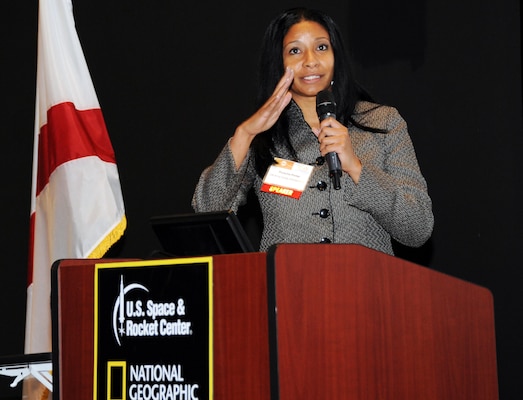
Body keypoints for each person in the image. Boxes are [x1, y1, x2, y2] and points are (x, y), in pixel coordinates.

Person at [192, 7, 433, 255]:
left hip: (367, 288)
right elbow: (205, 216)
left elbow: (418, 228)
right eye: (295, 50)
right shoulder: (263, 139)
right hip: (287, 289)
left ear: (336, 55)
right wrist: (244, 134)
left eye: (321, 47)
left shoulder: (382, 122)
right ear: (278, 62)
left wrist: (356, 168)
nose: (310, 61)